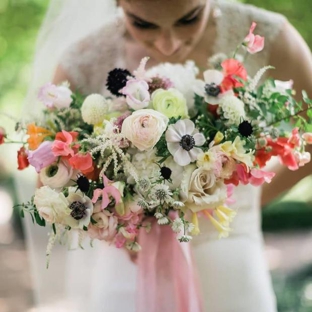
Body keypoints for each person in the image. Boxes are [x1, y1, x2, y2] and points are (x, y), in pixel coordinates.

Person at [22, 0, 312, 311]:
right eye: (143, 24)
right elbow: (50, 182)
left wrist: (248, 202)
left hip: (232, 262)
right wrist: (115, 223)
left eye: (189, 18)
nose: (168, 43)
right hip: (129, 269)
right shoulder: (83, 59)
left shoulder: (270, 35)